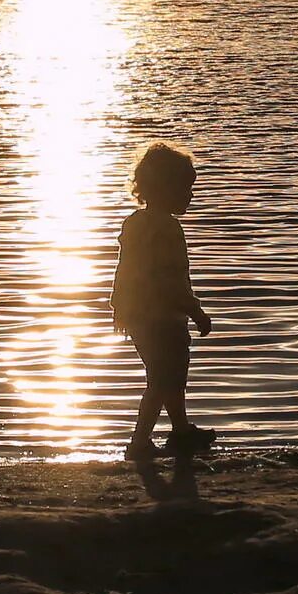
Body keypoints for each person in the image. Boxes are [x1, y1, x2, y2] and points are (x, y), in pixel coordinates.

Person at [111, 143, 214, 461]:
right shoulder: (168, 228)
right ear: (166, 188)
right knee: (163, 379)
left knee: (167, 377)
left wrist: (119, 306)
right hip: (164, 318)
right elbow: (168, 279)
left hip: (139, 316)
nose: (190, 196)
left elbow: (123, 269)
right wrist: (195, 310)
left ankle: (181, 431)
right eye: (186, 189)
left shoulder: (135, 222)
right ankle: (140, 442)